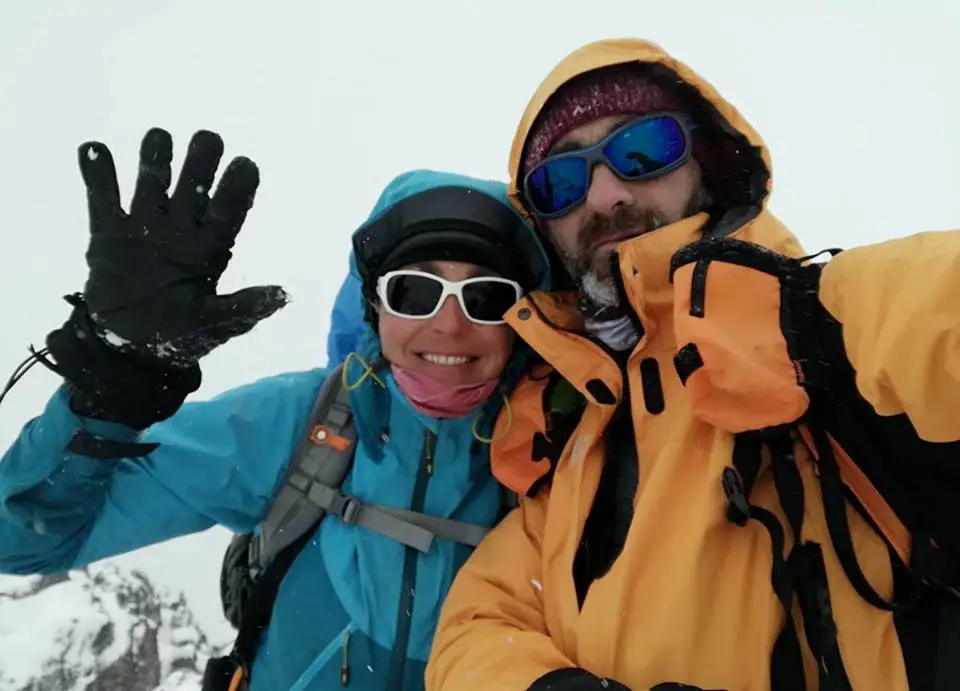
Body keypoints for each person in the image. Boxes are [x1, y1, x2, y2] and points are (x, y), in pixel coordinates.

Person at [426, 38, 960, 691]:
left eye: (641, 148)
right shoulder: (576, 441)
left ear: (707, 162)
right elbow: (475, 627)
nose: (603, 194)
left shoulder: (831, 322)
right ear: (547, 227)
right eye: (560, 181)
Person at [0, 128, 550, 691]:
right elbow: (22, 539)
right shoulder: (296, 423)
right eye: (414, 292)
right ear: (373, 306)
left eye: (488, 298)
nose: (450, 326)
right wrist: (108, 396)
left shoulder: (566, 449)